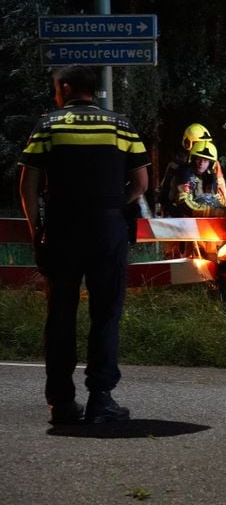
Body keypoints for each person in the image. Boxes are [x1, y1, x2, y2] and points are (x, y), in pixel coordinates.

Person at [18, 65, 150, 425]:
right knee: (106, 314)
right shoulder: (121, 126)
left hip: (62, 229)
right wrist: (112, 206)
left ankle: (61, 402)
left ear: (65, 88)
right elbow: (141, 182)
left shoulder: (48, 126)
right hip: (107, 229)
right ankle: (101, 399)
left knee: (60, 314)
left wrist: (36, 231)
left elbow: (27, 186)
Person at [156, 123, 226, 216]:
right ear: (188, 143)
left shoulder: (213, 165)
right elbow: (167, 189)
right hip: (181, 210)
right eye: (197, 143)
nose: (203, 147)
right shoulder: (177, 164)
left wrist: (224, 210)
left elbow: (221, 189)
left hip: (201, 207)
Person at [167, 140, 226, 218]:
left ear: (210, 164)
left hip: (199, 218)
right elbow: (184, 206)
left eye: (205, 161)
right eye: (198, 159)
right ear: (193, 159)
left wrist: (223, 209)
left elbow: (212, 201)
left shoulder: (209, 176)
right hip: (180, 218)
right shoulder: (185, 172)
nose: (201, 164)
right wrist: (211, 211)